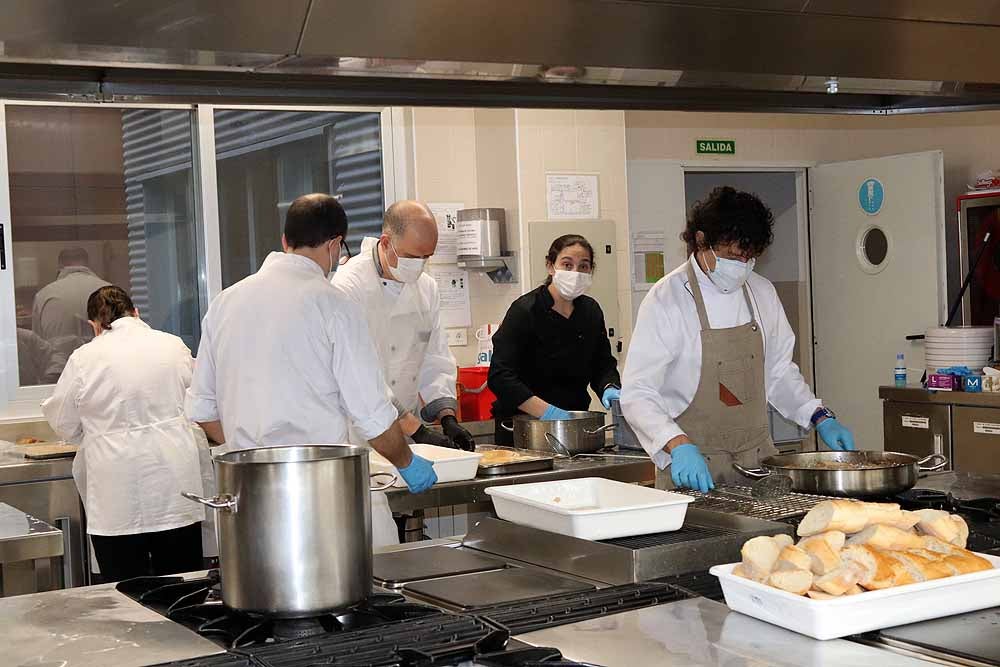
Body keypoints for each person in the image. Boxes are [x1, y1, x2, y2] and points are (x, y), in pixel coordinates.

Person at [185, 193, 437, 548]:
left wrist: (261, 452)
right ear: (335, 245)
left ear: (285, 241)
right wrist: (407, 461)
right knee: (348, 592)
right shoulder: (334, 305)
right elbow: (373, 418)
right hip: (323, 498)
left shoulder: (226, 302)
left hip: (250, 497)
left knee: (264, 595)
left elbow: (204, 413)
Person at [621, 186, 855, 493]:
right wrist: (677, 445)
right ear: (701, 240)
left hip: (758, 467)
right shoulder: (667, 299)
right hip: (693, 470)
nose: (741, 266)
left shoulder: (762, 293)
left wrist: (818, 415)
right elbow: (638, 393)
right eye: (733, 256)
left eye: (749, 258)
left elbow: (778, 372)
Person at [41, 286, 205, 582]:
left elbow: (64, 421)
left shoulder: (84, 357)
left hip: (117, 491)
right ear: (136, 312)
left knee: (126, 592)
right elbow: (200, 401)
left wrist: (97, 431)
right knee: (183, 585)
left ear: (94, 325)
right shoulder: (173, 345)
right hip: (174, 483)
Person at [332, 200, 474, 451]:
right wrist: (417, 431)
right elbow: (360, 376)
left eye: (426, 257)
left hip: (407, 428)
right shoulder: (349, 287)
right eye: (412, 257)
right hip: (359, 433)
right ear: (386, 243)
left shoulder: (426, 288)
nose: (419, 265)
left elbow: (436, 356)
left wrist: (447, 416)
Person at [487, 234, 621, 445]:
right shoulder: (525, 311)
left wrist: (609, 386)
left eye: (583, 267)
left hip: (572, 428)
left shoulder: (590, 311)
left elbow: (602, 363)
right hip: (522, 428)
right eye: (567, 265)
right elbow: (500, 376)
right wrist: (547, 412)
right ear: (550, 266)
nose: (575, 273)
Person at [32, 247, 110, 352]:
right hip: (105, 365)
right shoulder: (112, 292)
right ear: (87, 264)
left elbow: (37, 346)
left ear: (60, 265)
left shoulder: (43, 295)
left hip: (61, 366)